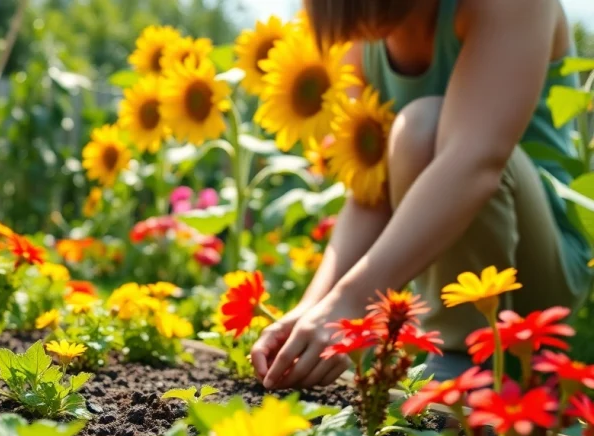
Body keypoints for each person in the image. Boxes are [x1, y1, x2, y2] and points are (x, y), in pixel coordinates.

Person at [251, 0, 593, 389]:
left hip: (540, 270)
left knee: (421, 127)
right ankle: (454, 351)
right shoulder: (363, 39)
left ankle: (462, 359)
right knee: (417, 129)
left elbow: (475, 164)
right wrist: (316, 306)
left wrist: (350, 300)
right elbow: (370, 194)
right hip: (452, 283)